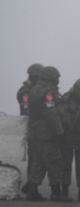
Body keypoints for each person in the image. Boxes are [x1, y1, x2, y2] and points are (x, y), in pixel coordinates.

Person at [26, 66, 72, 202]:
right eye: (57, 78)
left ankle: (32, 191)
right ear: (51, 78)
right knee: (55, 163)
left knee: (38, 163)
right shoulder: (47, 92)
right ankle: (56, 193)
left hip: (35, 134)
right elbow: (50, 113)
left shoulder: (34, 90)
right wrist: (59, 133)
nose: (58, 81)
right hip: (47, 135)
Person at [17, 63, 44, 195]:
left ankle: (31, 185)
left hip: (38, 130)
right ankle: (32, 187)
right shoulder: (26, 91)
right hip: (32, 130)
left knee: (38, 159)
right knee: (34, 159)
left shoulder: (34, 89)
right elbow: (26, 111)